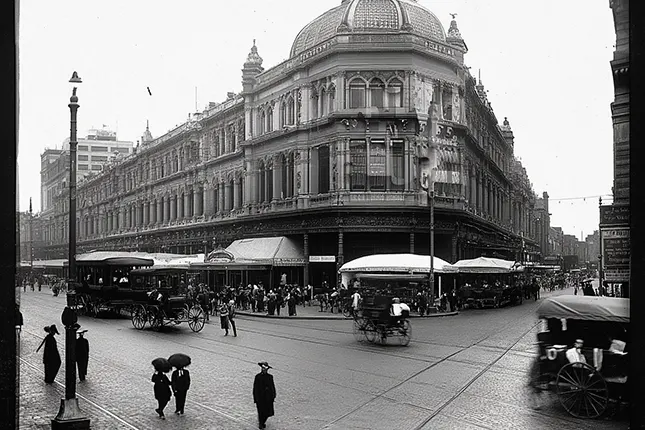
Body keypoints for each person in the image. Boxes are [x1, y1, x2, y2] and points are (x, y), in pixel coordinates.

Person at [253, 362, 276, 429]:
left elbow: (272, 387)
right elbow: (255, 388)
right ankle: (261, 423)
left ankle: (262, 422)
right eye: (263, 368)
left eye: (265, 368)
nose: (264, 369)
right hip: (260, 398)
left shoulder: (270, 377)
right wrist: (255, 398)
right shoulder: (258, 377)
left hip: (268, 398)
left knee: (268, 412)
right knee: (261, 412)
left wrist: (273, 395)